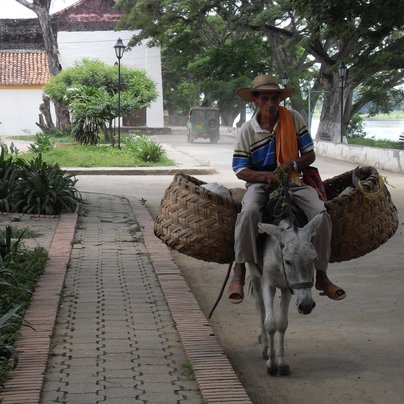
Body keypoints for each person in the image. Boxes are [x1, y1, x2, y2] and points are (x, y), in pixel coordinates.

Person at [228, 74, 346, 304]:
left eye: (275, 99)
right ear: (255, 100)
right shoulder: (246, 131)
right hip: (260, 184)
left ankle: (321, 274)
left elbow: (309, 154)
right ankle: (239, 271)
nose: (271, 104)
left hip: (293, 180)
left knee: (321, 214)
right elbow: (240, 169)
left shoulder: (294, 118)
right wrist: (266, 176)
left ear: (280, 99)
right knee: (249, 212)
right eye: (265, 99)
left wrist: (292, 165)